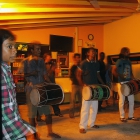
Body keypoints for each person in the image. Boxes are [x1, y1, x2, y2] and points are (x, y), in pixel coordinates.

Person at [1, 28, 36, 140]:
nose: (15, 50)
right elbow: (6, 112)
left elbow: (12, 106)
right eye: (9, 46)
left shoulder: (6, 69)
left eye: (14, 46)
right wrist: (27, 132)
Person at [23, 42, 61, 139]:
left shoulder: (41, 61)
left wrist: (52, 85)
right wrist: (32, 73)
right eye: (37, 49)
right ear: (32, 50)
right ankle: (34, 135)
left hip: (42, 89)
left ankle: (50, 132)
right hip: (31, 89)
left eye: (40, 49)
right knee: (32, 115)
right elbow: (23, 75)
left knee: (48, 112)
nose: (40, 51)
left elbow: (45, 75)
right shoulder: (25, 61)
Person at [79, 47, 105, 133]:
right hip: (87, 88)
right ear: (87, 53)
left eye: (94, 52)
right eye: (92, 52)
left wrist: (102, 84)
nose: (94, 53)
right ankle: (82, 126)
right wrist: (83, 84)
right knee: (85, 108)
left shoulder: (97, 63)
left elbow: (98, 75)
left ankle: (92, 123)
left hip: (95, 87)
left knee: (94, 107)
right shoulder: (83, 63)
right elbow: (78, 75)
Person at [115, 47, 139, 122]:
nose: (128, 53)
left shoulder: (128, 61)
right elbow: (114, 71)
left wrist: (134, 79)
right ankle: (122, 116)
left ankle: (131, 116)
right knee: (122, 101)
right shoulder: (119, 61)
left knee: (131, 100)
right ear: (123, 53)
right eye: (127, 52)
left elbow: (130, 72)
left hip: (129, 83)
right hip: (122, 83)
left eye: (128, 52)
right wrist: (120, 77)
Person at [43, 52, 63, 117]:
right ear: (46, 57)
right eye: (49, 56)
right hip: (45, 84)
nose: (50, 58)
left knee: (54, 98)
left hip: (52, 83)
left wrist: (56, 70)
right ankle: (44, 114)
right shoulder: (42, 65)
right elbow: (44, 75)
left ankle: (57, 112)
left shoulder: (52, 64)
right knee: (44, 99)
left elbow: (56, 72)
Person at [69, 53, 83, 118]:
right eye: (76, 58)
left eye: (79, 57)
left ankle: (82, 112)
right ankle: (71, 113)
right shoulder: (73, 67)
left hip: (81, 85)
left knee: (82, 99)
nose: (78, 59)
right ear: (74, 58)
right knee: (73, 99)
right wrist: (75, 80)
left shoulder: (82, 66)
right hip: (75, 85)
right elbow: (70, 76)